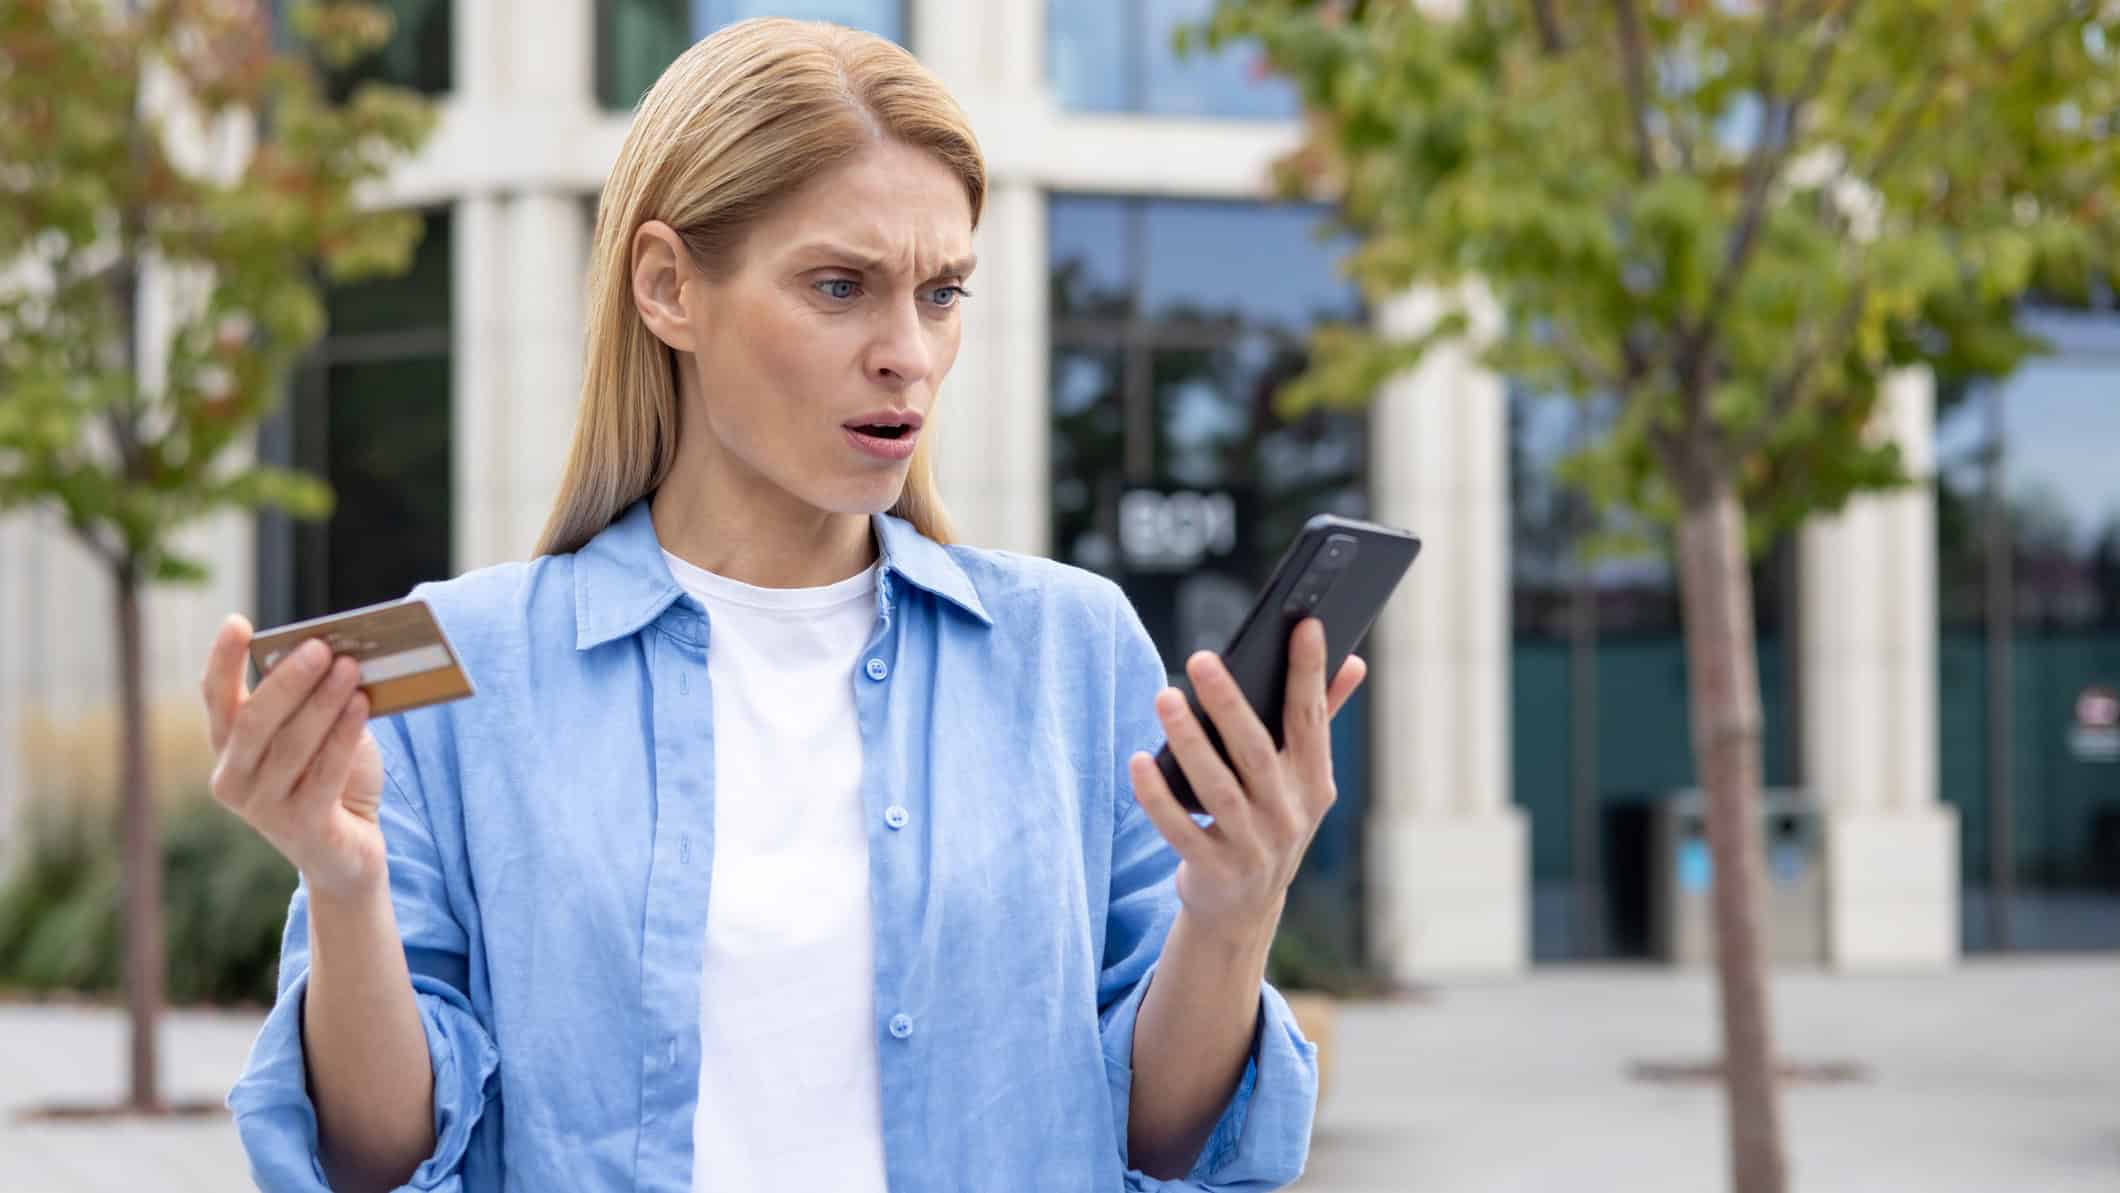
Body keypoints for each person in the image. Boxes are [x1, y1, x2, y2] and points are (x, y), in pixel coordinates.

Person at [205, 18, 1365, 1193]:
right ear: (666, 287)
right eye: (837, 285)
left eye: (942, 291)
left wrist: (1233, 908)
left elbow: (1157, 1144)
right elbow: (373, 1163)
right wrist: (341, 888)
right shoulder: (459, 671)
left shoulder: (1072, 650)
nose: (906, 352)